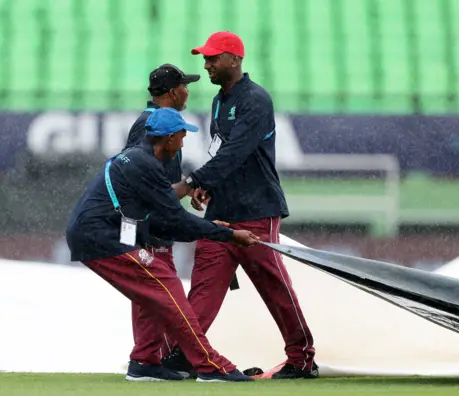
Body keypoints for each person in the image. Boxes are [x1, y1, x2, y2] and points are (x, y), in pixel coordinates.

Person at [65, 108, 258, 383]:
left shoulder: (139, 158)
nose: (183, 142)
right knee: (166, 281)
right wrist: (226, 234)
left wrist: (214, 230)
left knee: (153, 290)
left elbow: (166, 222)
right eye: (181, 136)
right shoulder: (146, 165)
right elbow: (177, 220)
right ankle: (209, 365)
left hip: (96, 233)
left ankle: (144, 362)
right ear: (167, 139)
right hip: (100, 237)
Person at [168, 31, 319, 379]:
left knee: (275, 289)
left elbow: (237, 152)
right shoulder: (220, 101)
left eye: (212, 58)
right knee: (204, 288)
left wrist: (192, 183)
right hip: (221, 212)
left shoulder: (256, 100)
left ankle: (302, 359)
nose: (206, 65)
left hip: (256, 211)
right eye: (204, 59)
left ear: (234, 59)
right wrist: (208, 187)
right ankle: (185, 354)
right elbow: (222, 153)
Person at [123, 64, 200, 372]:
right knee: (155, 293)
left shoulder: (155, 123)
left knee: (156, 294)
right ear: (172, 93)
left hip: (151, 223)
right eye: (184, 86)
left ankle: (154, 359)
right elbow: (140, 181)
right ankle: (146, 359)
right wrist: (190, 185)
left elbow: (161, 179)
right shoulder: (149, 125)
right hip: (147, 226)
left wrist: (185, 188)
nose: (188, 91)